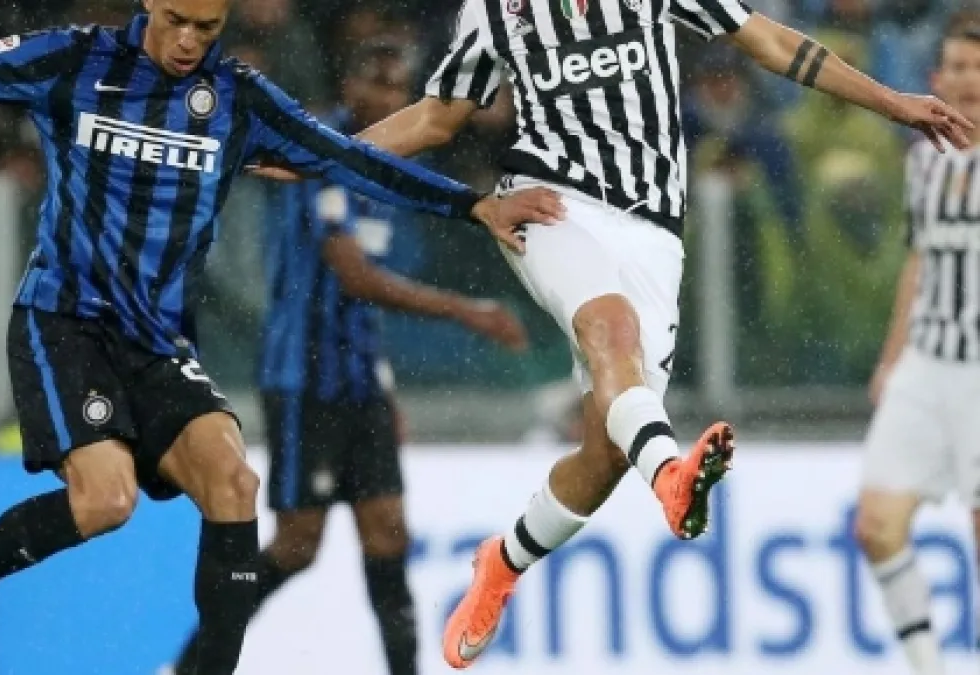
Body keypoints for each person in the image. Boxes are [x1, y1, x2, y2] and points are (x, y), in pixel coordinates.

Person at [0, 1, 562, 673]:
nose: (190, 41)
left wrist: (471, 205)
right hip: (67, 321)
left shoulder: (238, 99)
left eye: (208, 27)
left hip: (155, 339)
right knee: (106, 500)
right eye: (179, 21)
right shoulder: (75, 62)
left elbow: (347, 160)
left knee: (233, 483)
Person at [253, 0, 973, 668]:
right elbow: (438, 117)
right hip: (549, 205)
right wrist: (324, 152)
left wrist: (893, 102)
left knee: (602, 452)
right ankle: (671, 474)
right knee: (611, 326)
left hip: (654, 232)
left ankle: (504, 561)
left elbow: (770, 42)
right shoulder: (495, 10)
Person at [170, 41, 530, 675]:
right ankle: (189, 664)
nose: (387, 98)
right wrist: (467, 311)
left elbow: (360, 300)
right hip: (303, 377)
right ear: (349, 85)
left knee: (389, 534)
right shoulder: (324, 152)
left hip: (360, 380)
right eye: (375, 82)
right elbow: (355, 275)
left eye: (397, 87)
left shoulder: (388, 162)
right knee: (297, 545)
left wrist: (383, 387)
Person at [855, 19, 980, 675]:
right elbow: (918, 258)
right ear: (937, 78)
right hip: (927, 364)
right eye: (955, 66)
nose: (966, 78)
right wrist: (891, 356)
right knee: (875, 526)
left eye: (976, 66)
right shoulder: (923, 158)